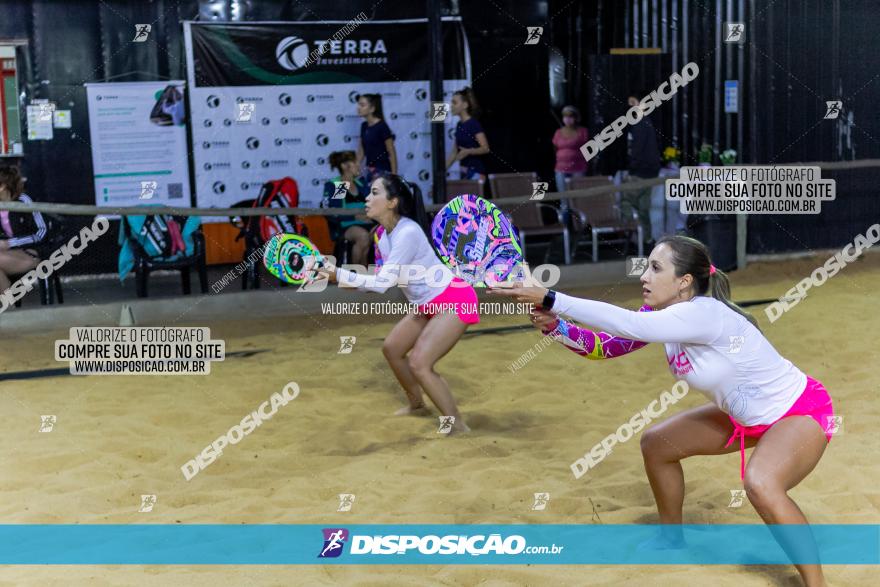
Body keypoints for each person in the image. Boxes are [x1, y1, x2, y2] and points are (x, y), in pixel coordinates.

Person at [489, 235, 835, 587]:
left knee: (761, 483)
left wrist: (551, 297)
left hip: (799, 412)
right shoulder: (661, 315)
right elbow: (603, 348)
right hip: (745, 418)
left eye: (655, 268)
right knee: (657, 445)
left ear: (685, 282)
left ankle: (816, 583)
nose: (644, 276)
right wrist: (555, 327)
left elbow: (628, 325)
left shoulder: (704, 312)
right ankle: (671, 539)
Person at [311, 174, 479, 434]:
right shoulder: (382, 235)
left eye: (375, 193)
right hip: (427, 304)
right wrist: (331, 276)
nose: (367, 198)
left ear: (392, 202)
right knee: (392, 349)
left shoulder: (408, 232)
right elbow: (375, 281)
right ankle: (417, 405)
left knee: (420, 363)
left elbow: (379, 285)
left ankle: (457, 424)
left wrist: (337, 273)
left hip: (455, 298)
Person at [0, 165, 46, 298]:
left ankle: (9, 309)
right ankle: (9, 309)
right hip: (7, 253)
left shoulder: (24, 200)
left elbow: (41, 233)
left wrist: (9, 243)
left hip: (32, 252)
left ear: (2, 185)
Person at [623, 91, 661, 249]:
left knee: (625, 202)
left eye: (634, 102)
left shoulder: (639, 124)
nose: (631, 106)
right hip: (651, 172)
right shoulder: (647, 121)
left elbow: (637, 150)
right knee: (644, 208)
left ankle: (629, 236)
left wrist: (632, 169)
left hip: (640, 172)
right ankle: (646, 240)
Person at [321, 151, 373, 266]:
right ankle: (354, 275)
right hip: (345, 226)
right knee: (363, 236)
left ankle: (364, 275)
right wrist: (355, 216)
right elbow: (334, 213)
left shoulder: (361, 183)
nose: (359, 165)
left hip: (366, 223)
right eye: (355, 163)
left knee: (378, 235)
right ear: (344, 166)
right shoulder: (339, 185)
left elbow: (372, 205)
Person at [446, 87, 490, 181]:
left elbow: (485, 148)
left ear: (465, 105)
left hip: (475, 172)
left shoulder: (473, 124)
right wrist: (441, 172)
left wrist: (468, 151)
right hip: (464, 173)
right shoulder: (459, 125)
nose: (451, 106)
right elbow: (454, 152)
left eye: (454, 103)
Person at [356, 93, 397, 183]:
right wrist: (356, 166)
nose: (358, 108)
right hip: (369, 170)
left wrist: (394, 176)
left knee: (377, 195)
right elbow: (361, 150)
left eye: (362, 105)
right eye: (358, 104)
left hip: (382, 170)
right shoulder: (363, 126)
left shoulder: (382, 126)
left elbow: (392, 152)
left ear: (372, 109)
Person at [552, 105, 589, 192]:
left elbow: (588, 149)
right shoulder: (558, 132)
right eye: (565, 116)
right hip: (561, 169)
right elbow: (555, 148)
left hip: (578, 168)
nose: (567, 119)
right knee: (563, 196)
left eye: (570, 116)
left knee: (577, 196)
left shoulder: (583, 131)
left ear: (576, 117)